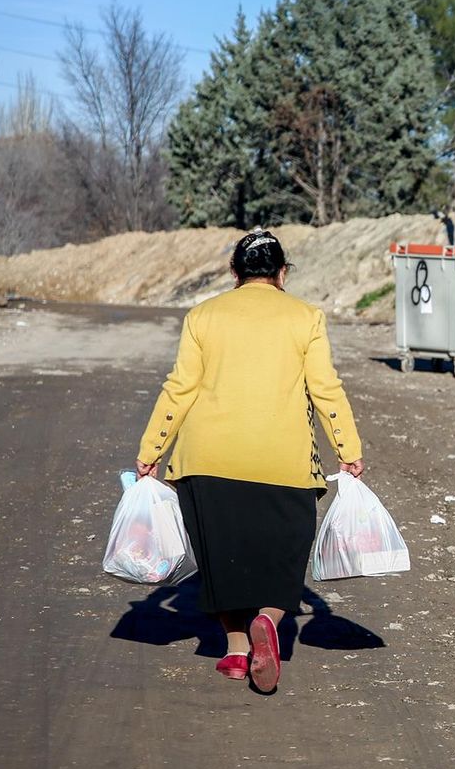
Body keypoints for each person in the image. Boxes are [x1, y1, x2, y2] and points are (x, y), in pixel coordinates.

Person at [133, 230, 364, 693]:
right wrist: (348, 449)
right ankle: (268, 619)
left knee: (221, 560)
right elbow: (325, 388)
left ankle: (236, 650)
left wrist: (150, 451)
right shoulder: (306, 317)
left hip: (207, 460)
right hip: (284, 462)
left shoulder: (203, 316)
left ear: (235, 273)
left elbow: (180, 388)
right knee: (284, 557)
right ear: (281, 273)